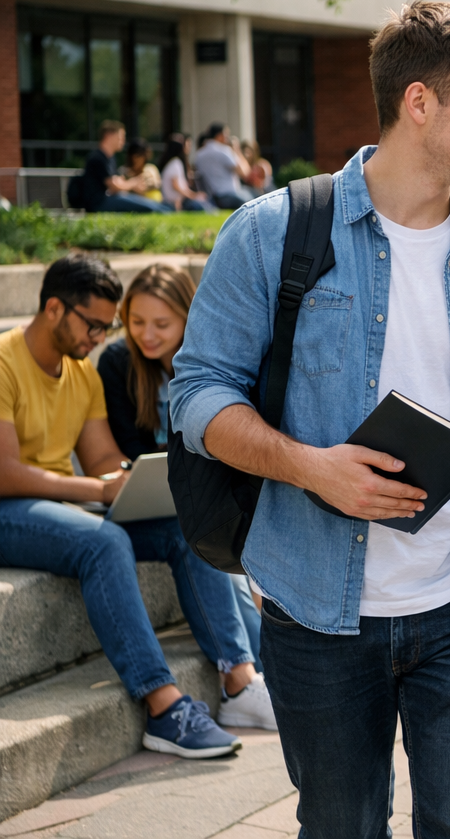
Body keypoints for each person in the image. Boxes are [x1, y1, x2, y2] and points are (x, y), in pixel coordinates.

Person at [171, 0, 450, 837]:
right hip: (315, 609)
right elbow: (198, 395)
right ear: (419, 101)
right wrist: (312, 467)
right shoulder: (274, 232)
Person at [0, 255, 273, 758]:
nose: (101, 338)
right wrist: (97, 491)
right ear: (55, 308)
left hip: (58, 507)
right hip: (9, 510)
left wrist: (124, 480)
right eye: (94, 325)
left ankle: (238, 680)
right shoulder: (4, 360)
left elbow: (100, 457)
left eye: (107, 326)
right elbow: (6, 472)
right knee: (104, 542)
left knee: (182, 528)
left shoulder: (80, 373)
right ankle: (162, 706)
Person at [98, 263, 268, 671]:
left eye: (161, 323)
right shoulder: (118, 362)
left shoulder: (211, 361)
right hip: (151, 495)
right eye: (136, 322)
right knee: (211, 546)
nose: (147, 334)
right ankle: (258, 668)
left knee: (233, 555)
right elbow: (133, 448)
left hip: (206, 487)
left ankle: (263, 665)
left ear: (188, 316)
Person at [79, 121, 172, 214]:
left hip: (109, 198)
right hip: (99, 203)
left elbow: (117, 181)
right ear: (109, 136)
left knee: (147, 203)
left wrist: (125, 183)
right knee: (146, 206)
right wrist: (133, 183)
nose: (123, 141)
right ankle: (167, 213)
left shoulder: (110, 158)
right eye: (120, 137)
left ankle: (168, 211)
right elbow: (114, 186)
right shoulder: (98, 158)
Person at [194, 125, 254, 209]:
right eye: (226, 135)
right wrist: (237, 150)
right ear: (220, 136)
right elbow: (245, 172)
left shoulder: (199, 154)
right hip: (230, 195)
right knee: (255, 200)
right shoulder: (225, 151)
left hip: (212, 197)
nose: (227, 138)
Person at [160, 135, 214, 212]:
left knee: (203, 201)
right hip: (174, 202)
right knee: (201, 206)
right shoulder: (175, 163)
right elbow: (176, 186)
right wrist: (194, 196)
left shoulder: (173, 163)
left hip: (178, 200)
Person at [118, 139, 164, 204]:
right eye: (134, 157)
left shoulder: (150, 169)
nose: (136, 160)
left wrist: (144, 186)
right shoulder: (123, 171)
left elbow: (157, 184)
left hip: (152, 203)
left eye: (139, 156)